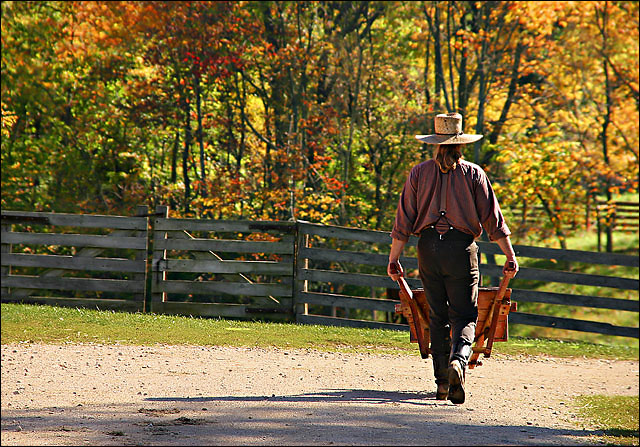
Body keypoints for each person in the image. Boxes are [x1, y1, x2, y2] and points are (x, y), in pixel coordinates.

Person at [387, 112, 519, 405]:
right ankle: (459, 360)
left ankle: (442, 384)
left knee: (437, 316)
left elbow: (404, 219)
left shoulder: (419, 173)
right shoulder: (474, 174)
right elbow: (493, 219)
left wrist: (394, 258)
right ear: (461, 144)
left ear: (434, 144)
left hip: (429, 248)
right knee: (464, 314)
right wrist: (509, 254)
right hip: (461, 249)